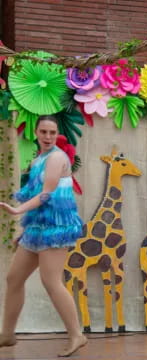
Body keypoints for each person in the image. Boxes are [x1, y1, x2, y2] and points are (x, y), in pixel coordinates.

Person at [0, 115, 87, 357]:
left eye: (52, 132)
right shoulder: (38, 159)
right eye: (43, 132)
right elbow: (38, 197)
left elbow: (47, 194)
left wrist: (18, 210)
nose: (48, 137)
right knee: (13, 278)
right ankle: (7, 334)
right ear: (36, 133)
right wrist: (25, 230)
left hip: (56, 228)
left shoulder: (57, 158)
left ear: (57, 133)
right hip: (37, 228)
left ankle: (76, 335)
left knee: (51, 281)